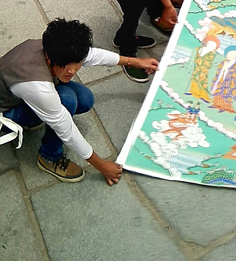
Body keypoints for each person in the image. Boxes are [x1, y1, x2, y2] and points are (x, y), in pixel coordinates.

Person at [0, 19, 158, 184]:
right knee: (67, 101)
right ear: (48, 56)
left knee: (84, 98)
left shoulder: (56, 47)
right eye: (65, 65)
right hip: (5, 113)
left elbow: (95, 55)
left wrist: (135, 62)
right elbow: (66, 130)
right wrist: (102, 166)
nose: (72, 70)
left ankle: (36, 116)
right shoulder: (37, 85)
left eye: (77, 63)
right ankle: (49, 157)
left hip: (20, 93)